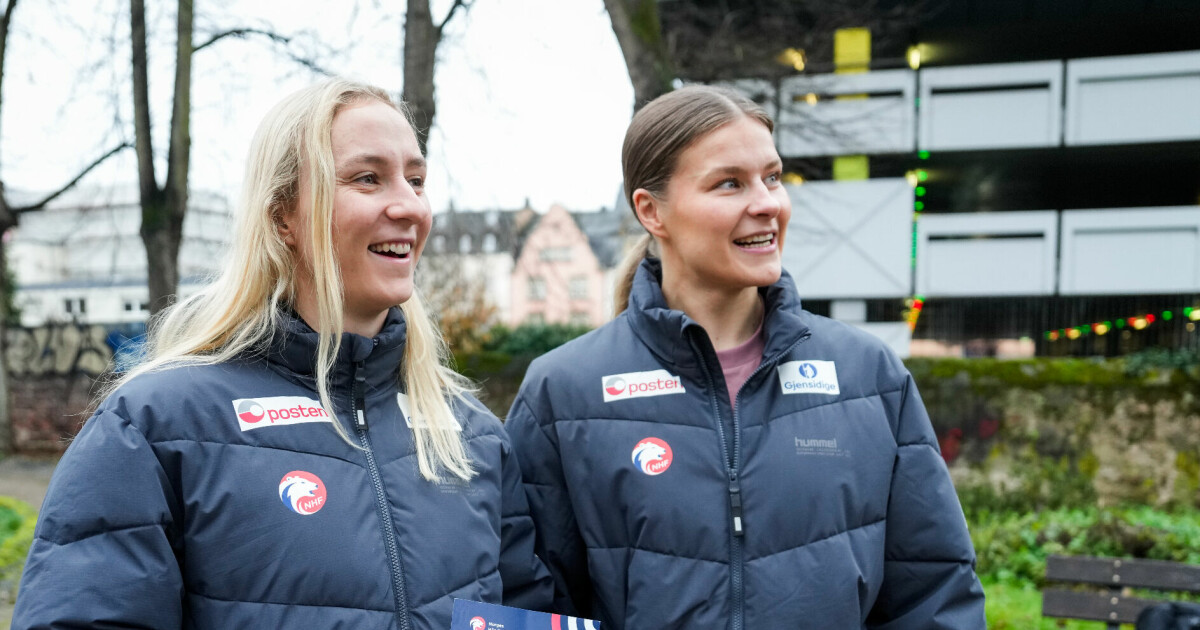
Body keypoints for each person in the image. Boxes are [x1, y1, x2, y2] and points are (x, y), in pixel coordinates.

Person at [13, 78, 552, 629]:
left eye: (416, 180)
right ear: (281, 217)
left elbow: (522, 612)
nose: (410, 206)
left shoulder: (473, 435)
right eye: (368, 178)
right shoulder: (156, 425)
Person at [504, 85, 986, 629]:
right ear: (651, 211)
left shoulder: (869, 377)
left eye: (772, 178)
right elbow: (525, 603)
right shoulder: (564, 392)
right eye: (729, 183)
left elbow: (935, 595)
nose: (767, 203)